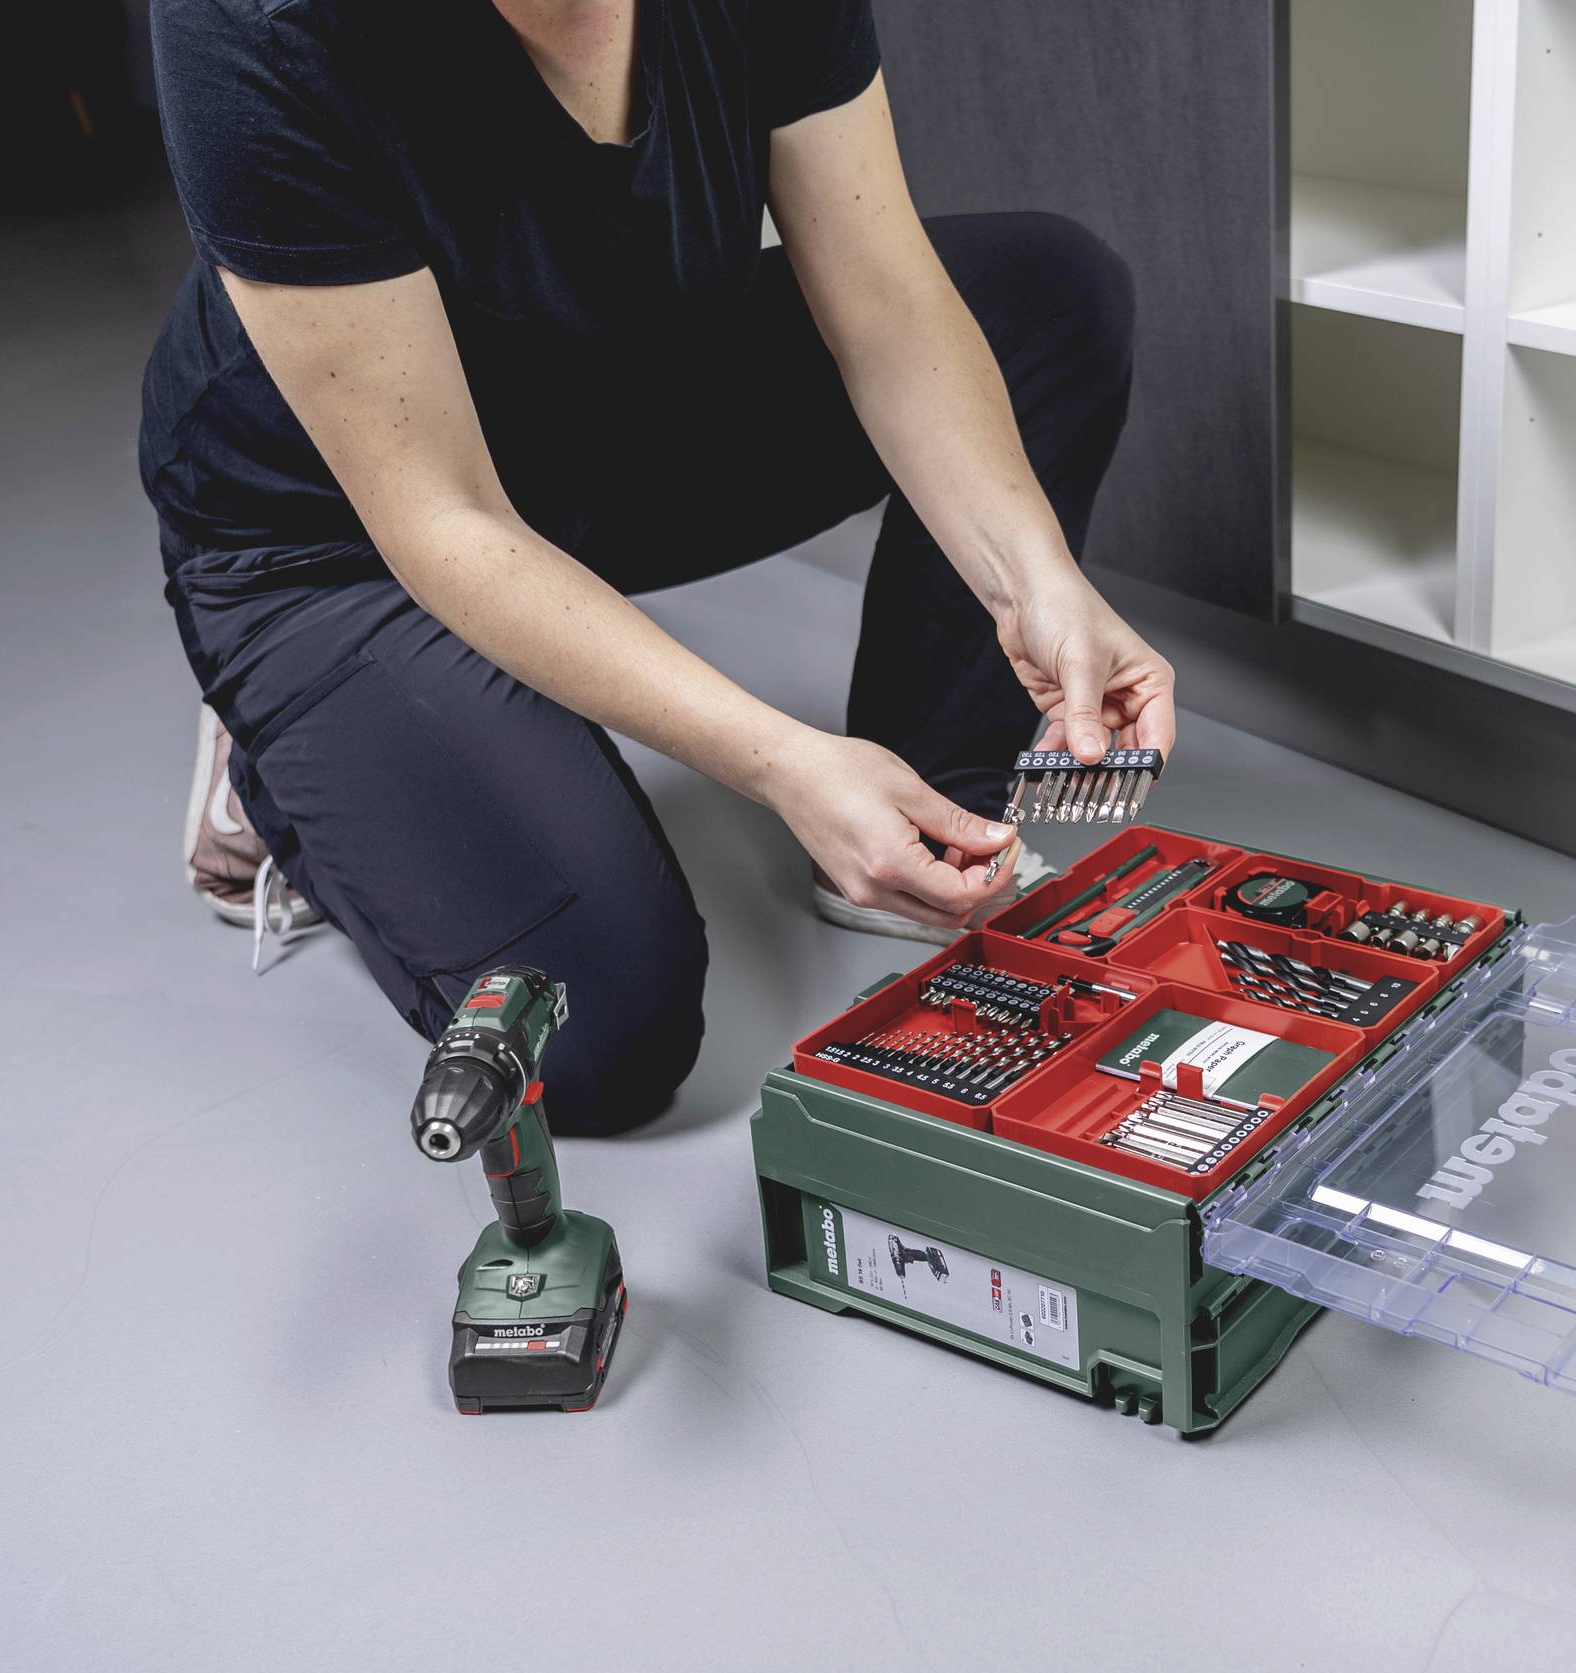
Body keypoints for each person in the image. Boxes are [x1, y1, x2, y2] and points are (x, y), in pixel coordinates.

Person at [143, 0, 1175, 1133]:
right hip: (339, 529)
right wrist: (781, 763)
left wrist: (1038, 582)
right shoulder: (259, 27)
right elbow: (442, 514)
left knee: (1047, 295)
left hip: (603, 400)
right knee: (595, 1035)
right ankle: (285, 760)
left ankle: (920, 815)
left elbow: (888, 304)